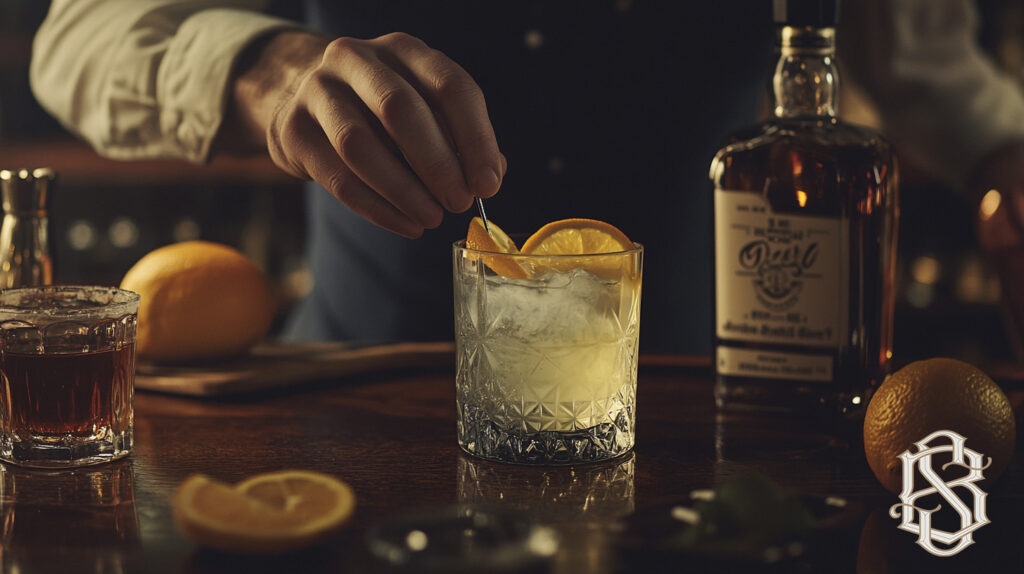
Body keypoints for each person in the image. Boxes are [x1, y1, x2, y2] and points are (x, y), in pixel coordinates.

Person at [29, 0, 1024, 354]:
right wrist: (258, 69)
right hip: (368, 393)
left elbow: (928, 71)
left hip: (688, 407)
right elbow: (73, 36)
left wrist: (1006, 160)